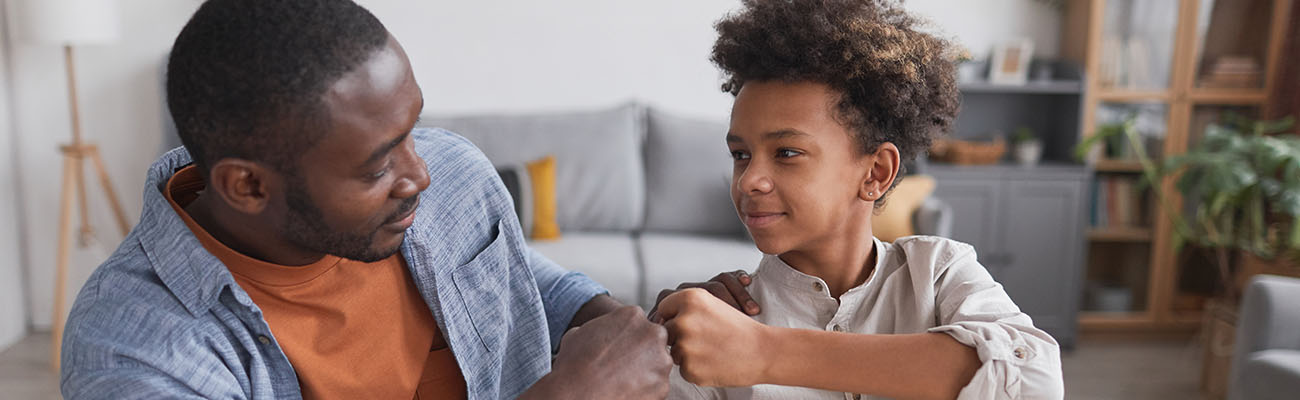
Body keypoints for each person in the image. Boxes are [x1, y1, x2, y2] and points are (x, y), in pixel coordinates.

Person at [58, 0, 671, 398]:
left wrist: (635, 324)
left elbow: (520, 282)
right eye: (379, 165)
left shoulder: (456, 176)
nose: (422, 173)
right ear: (248, 187)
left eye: (412, 130)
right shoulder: (133, 352)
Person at [651, 1, 1065, 399]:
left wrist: (765, 352)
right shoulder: (717, 328)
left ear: (875, 173)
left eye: (786, 153)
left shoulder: (937, 275)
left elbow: (1035, 381)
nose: (749, 181)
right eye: (741, 155)